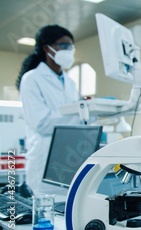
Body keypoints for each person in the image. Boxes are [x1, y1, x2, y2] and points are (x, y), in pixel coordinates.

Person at [16, 25, 82, 194]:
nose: (69, 50)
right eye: (64, 45)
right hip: (43, 159)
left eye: (71, 46)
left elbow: (78, 121)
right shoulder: (32, 79)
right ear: (47, 48)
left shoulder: (70, 83)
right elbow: (41, 123)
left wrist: (90, 112)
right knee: (45, 212)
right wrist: (79, 111)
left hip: (69, 159)